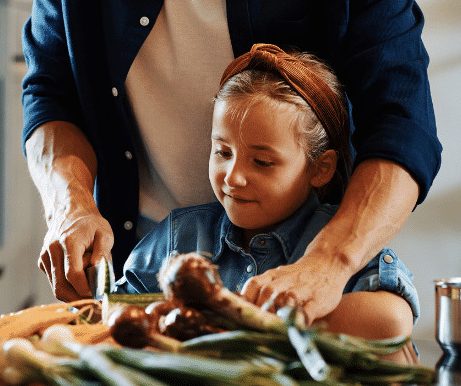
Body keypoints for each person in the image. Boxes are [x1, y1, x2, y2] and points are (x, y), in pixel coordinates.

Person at [22, 0, 441, 324]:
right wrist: (69, 204)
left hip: (298, 276)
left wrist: (330, 263)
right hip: (148, 276)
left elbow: (402, 127)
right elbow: (51, 90)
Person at [116, 44, 419, 349]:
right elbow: (115, 312)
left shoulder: (341, 237)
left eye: (262, 162)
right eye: (223, 152)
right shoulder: (178, 237)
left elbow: (392, 322)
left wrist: (248, 321)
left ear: (321, 168)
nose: (233, 177)